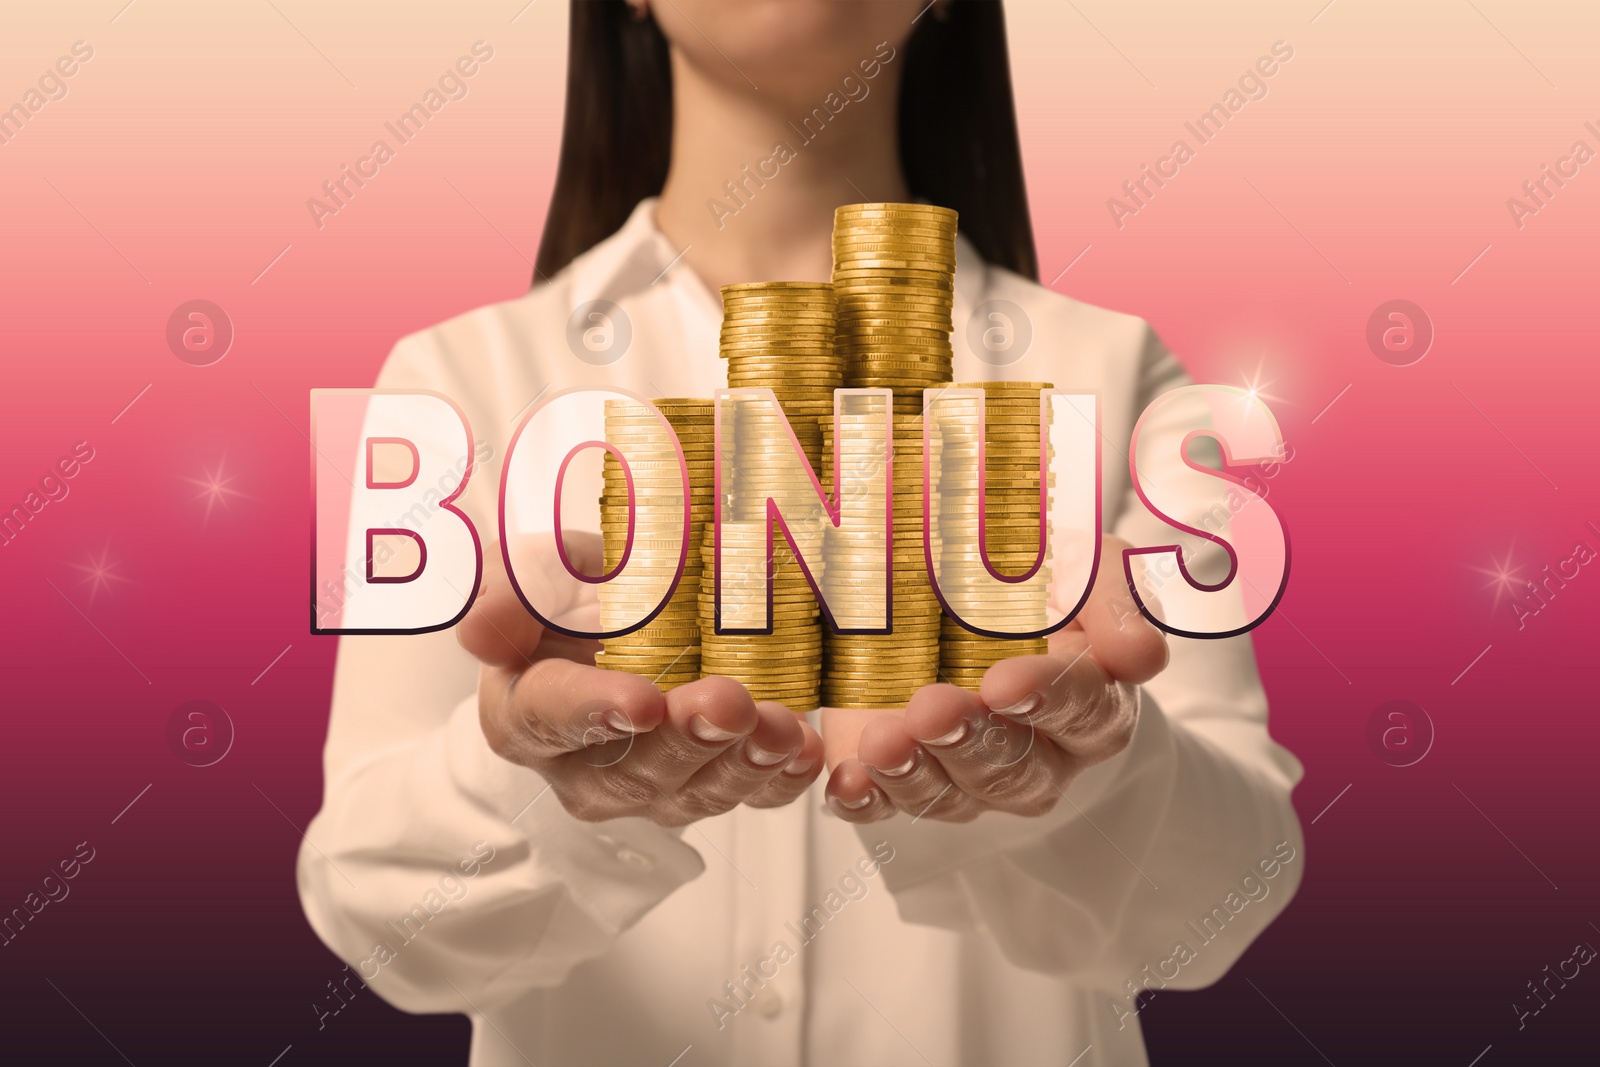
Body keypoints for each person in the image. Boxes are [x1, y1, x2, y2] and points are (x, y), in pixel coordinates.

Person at [297, 2, 1305, 1064]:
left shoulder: (1123, 371)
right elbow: (376, 918)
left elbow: (1224, 905)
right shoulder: (437, 383)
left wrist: (1083, 772)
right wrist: (540, 783)